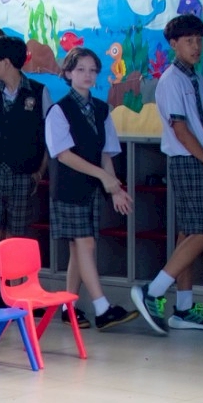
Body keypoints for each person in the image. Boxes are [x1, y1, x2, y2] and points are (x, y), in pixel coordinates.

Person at [130, 13, 203, 333]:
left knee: (190, 234)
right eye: (189, 41)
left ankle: (184, 309)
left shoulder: (197, 78)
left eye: (199, 40)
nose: (196, 46)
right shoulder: (171, 80)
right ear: (174, 44)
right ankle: (153, 290)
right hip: (188, 161)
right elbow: (181, 130)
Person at [48, 46, 136, 331]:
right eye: (80, 70)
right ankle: (102, 308)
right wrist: (103, 177)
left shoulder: (101, 109)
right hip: (68, 188)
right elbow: (64, 155)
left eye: (92, 70)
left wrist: (115, 188)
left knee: (80, 248)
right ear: (68, 73)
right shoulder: (58, 110)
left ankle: (69, 307)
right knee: (85, 244)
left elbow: (106, 153)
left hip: (91, 188)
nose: (87, 75)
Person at [0, 34, 50, 295]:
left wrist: (39, 173)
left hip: (22, 173)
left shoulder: (38, 92)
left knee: (16, 236)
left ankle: (15, 292)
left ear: (6, 62)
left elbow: (47, 138)